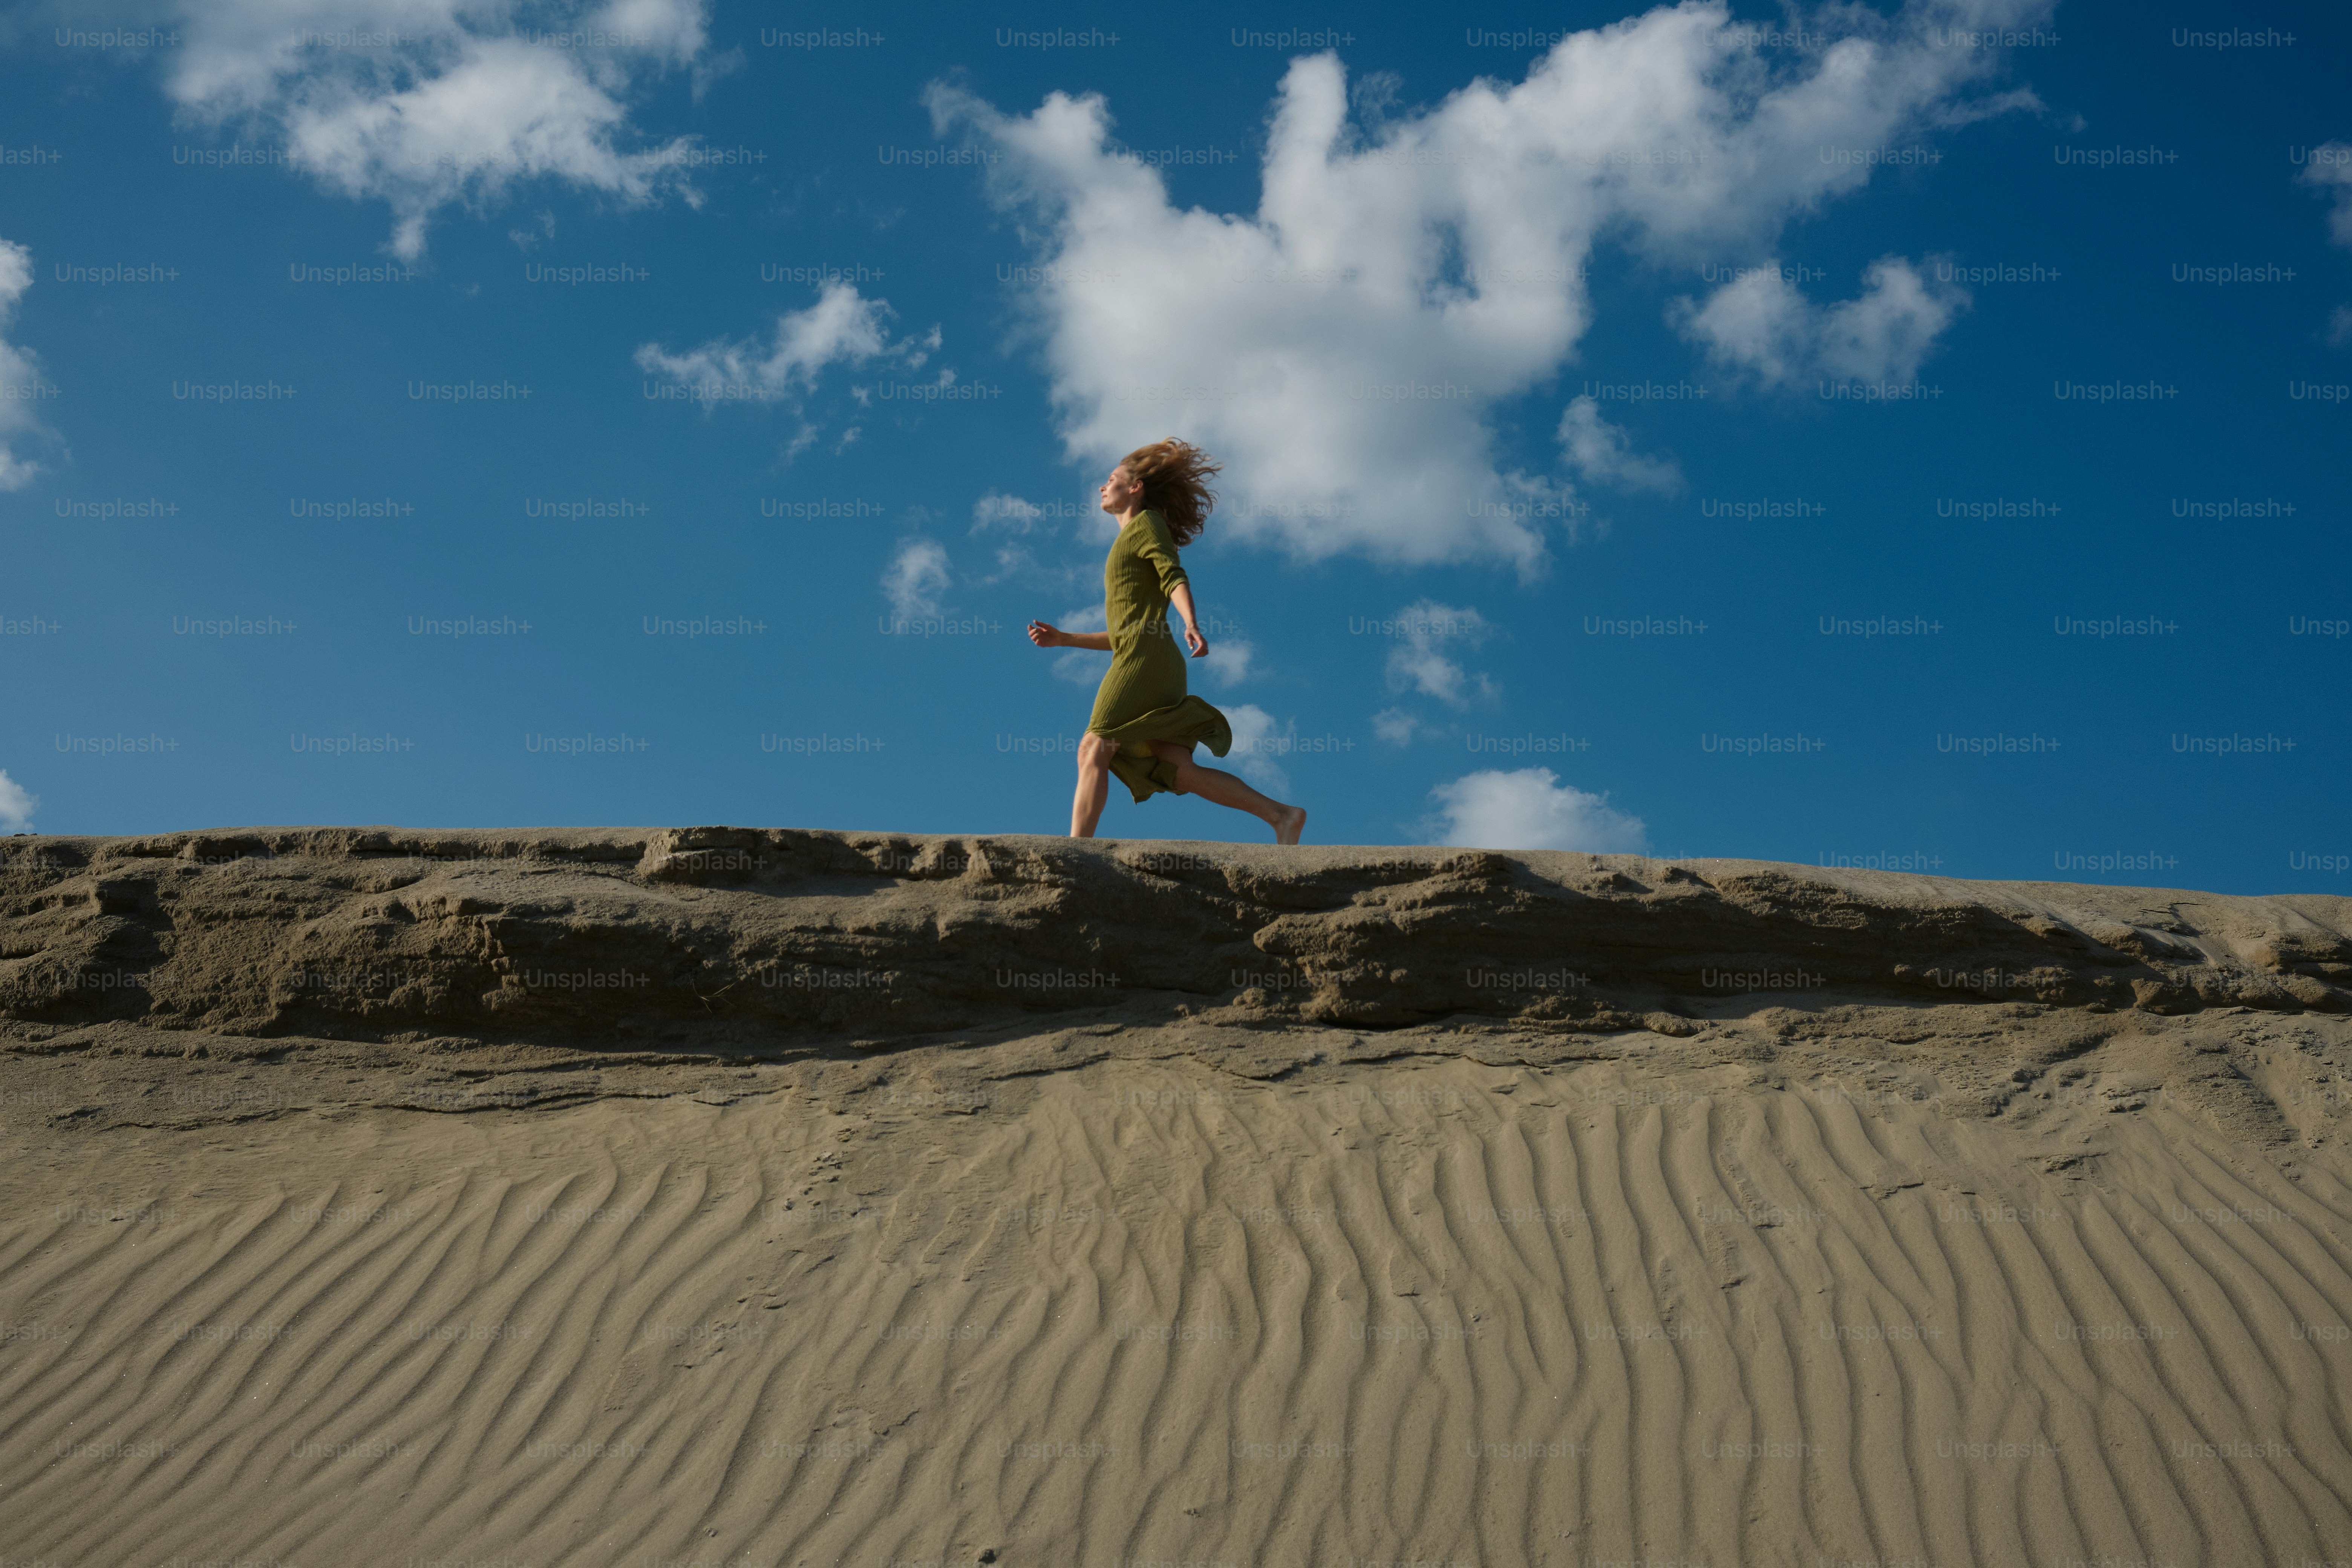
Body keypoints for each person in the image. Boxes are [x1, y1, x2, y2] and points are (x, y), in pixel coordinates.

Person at [1027, 439, 1308, 844]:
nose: (1103, 486)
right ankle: (1282, 816)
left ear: (1135, 487)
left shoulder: (1145, 524)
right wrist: (1065, 639)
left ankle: (1077, 851)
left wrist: (1190, 621)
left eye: (1112, 479)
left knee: (1095, 745)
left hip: (1145, 658)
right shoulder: (1131, 535)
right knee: (1179, 771)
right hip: (1150, 656)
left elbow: (1172, 575)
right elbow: (1127, 631)